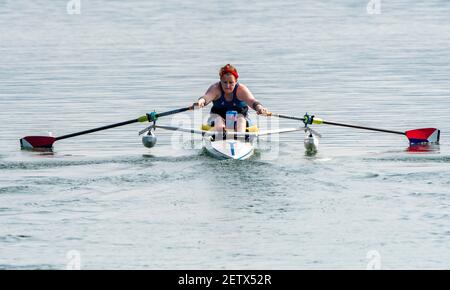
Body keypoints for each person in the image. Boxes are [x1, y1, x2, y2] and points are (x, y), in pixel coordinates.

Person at [194, 64, 269, 133]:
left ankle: (240, 139)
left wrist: (260, 108)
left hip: (240, 116)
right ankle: (220, 137)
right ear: (220, 80)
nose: (227, 85)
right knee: (218, 122)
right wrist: (200, 102)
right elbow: (206, 98)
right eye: (225, 82)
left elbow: (253, 102)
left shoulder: (241, 89)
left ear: (236, 81)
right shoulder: (215, 88)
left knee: (241, 121)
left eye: (231, 82)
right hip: (218, 115)